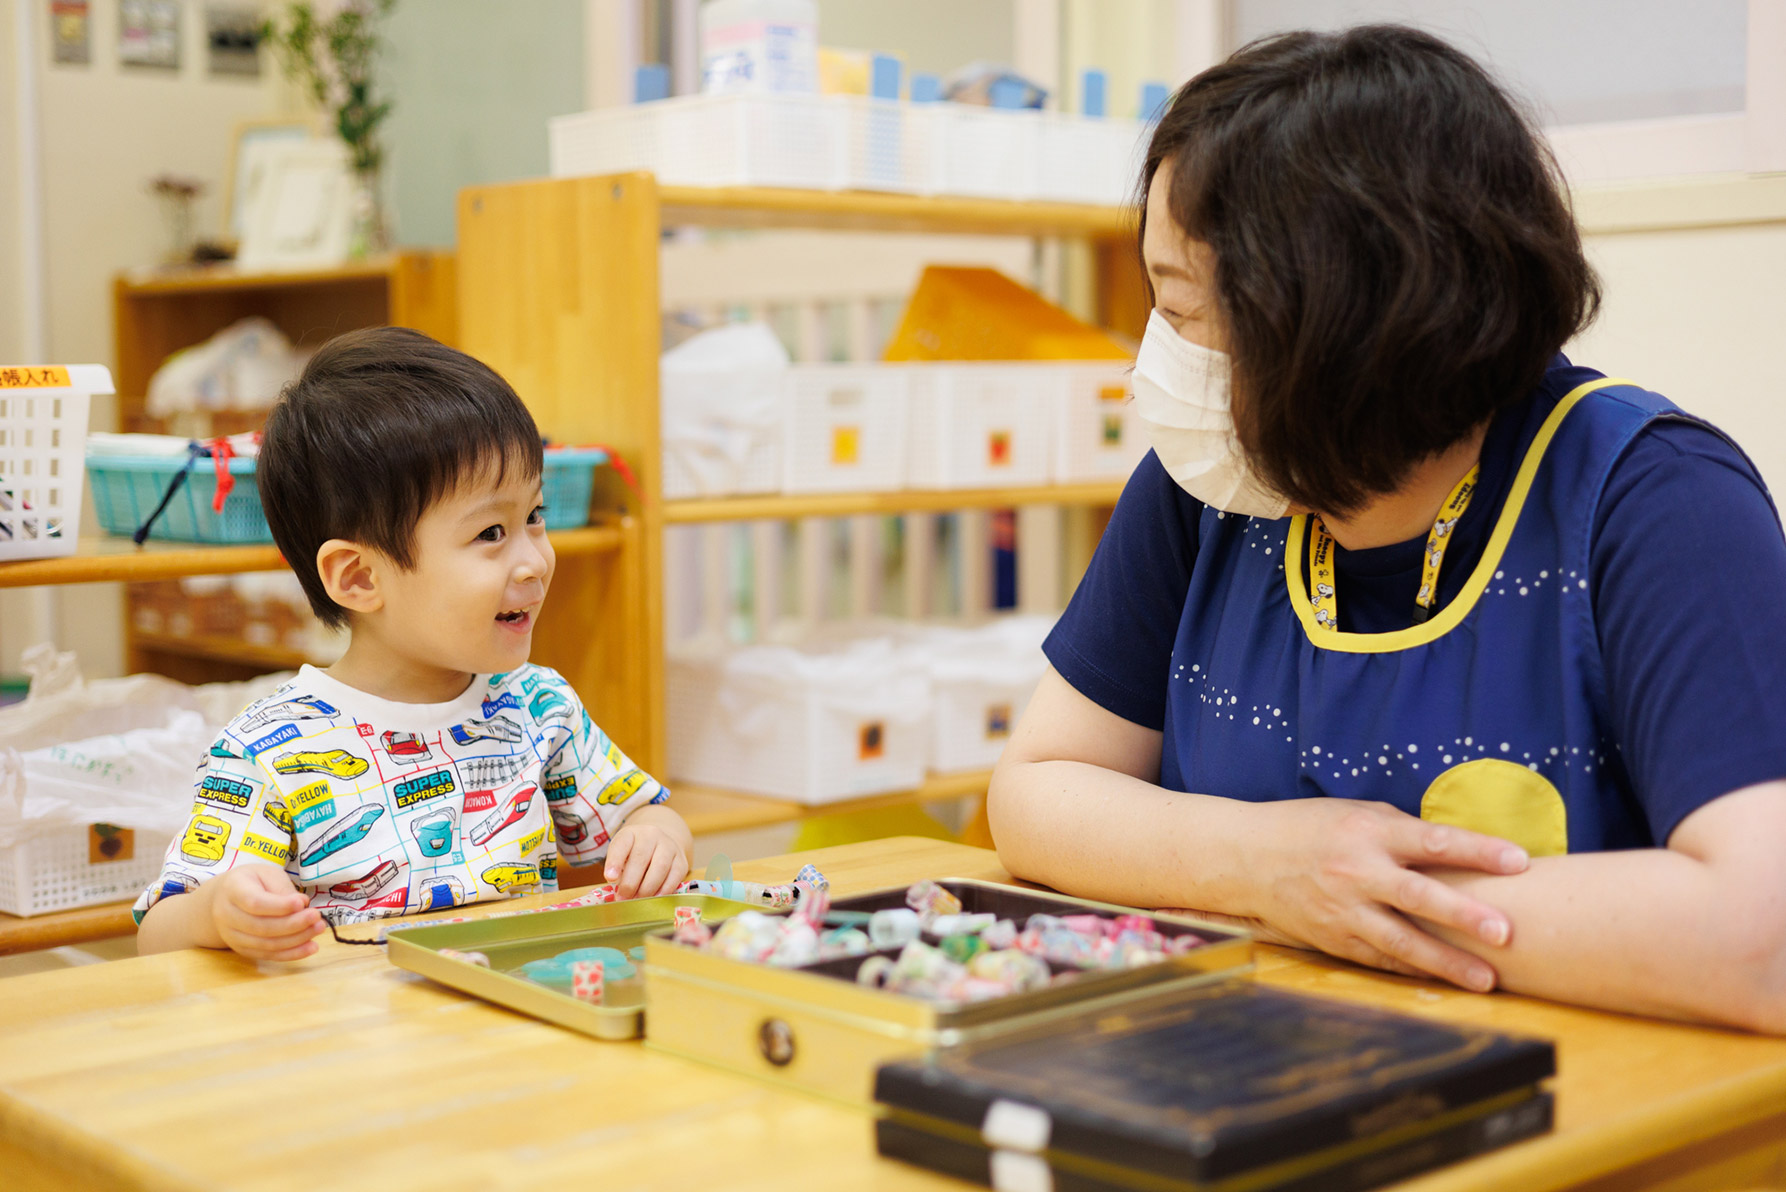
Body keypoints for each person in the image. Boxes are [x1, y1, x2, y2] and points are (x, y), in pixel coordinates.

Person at [989, 26, 1786, 1032]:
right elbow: (1038, 788)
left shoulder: (1654, 500)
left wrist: (1369, 901)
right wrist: (1272, 866)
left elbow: (1762, 934)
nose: (1160, 360)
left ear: (1337, 329)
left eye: (1186, 311)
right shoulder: (1207, 488)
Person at [137, 328, 691, 961]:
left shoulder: (537, 707)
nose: (536, 560)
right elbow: (158, 935)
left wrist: (657, 838)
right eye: (491, 531)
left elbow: (646, 814)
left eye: (534, 516)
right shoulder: (271, 750)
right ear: (360, 577)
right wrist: (220, 912)